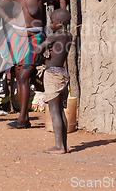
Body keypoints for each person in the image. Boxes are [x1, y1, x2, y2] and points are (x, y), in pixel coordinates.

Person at [0, 0, 90, 128]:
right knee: (20, 78)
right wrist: (8, 19)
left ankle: (23, 118)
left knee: (24, 77)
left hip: (34, 39)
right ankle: (23, 118)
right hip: (17, 39)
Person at [35, 8, 72, 154]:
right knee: (61, 112)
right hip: (62, 73)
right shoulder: (68, 36)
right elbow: (56, 52)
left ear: (60, 23)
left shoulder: (54, 36)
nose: (50, 24)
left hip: (53, 74)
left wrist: (44, 47)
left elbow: (38, 49)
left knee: (54, 111)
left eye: (52, 22)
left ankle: (59, 146)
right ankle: (64, 145)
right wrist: (48, 51)